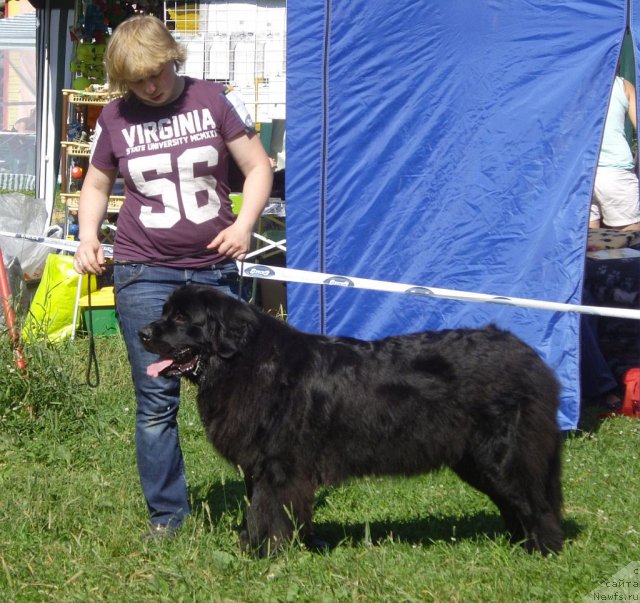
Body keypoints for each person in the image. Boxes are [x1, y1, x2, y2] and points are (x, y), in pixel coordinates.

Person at [73, 15, 273, 540]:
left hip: (213, 270)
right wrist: (87, 236)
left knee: (245, 392)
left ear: (173, 59)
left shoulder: (213, 99)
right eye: (138, 80)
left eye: (157, 72)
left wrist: (246, 225)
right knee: (156, 401)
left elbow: (258, 168)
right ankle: (167, 519)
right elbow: (96, 185)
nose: (151, 86)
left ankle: (265, 512)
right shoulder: (114, 118)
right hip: (145, 270)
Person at [590, 75, 640, 231]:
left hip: (579, 171)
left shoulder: (569, 81)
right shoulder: (623, 85)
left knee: (588, 239)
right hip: (615, 171)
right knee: (628, 234)